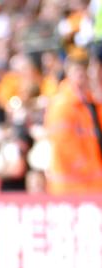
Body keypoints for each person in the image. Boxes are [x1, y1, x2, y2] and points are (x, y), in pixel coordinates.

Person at [44, 50, 102, 194]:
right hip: (72, 188)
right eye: (78, 71)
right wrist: (90, 167)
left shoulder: (90, 103)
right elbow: (65, 145)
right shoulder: (63, 104)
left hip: (91, 185)